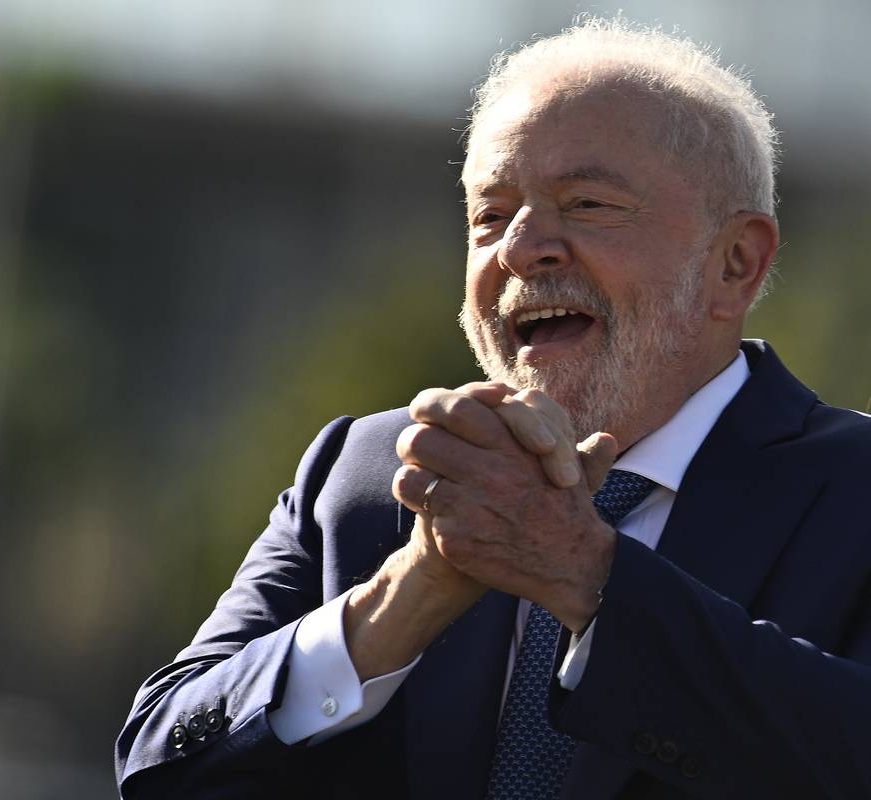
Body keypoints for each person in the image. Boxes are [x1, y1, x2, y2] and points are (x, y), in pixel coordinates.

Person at [115, 17, 871, 800]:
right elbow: (161, 767)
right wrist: (413, 589)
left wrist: (587, 574)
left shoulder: (854, 494)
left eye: (586, 203)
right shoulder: (373, 478)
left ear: (736, 263)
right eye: (489, 213)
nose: (520, 247)